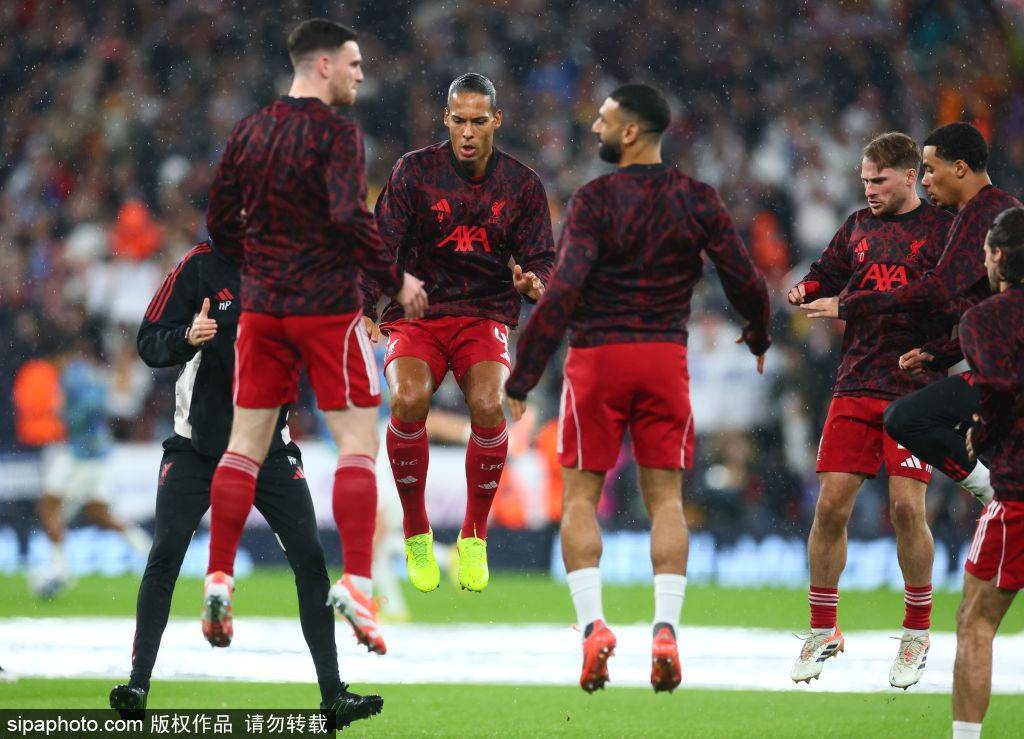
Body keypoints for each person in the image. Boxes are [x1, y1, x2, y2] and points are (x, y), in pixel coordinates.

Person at [504, 84, 771, 693]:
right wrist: (757, 332)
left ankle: (593, 627)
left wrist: (524, 374)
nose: (595, 127)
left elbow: (564, 289)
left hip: (597, 359)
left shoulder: (595, 199)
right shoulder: (696, 198)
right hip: (663, 359)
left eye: (603, 120)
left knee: (579, 499)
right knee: (667, 502)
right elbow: (743, 276)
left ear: (630, 131)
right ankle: (665, 629)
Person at [202, 18, 427, 726]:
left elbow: (219, 222)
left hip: (264, 309)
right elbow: (347, 217)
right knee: (358, 443)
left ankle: (219, 576)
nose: (361, 74)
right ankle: (357, 582)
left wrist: (261, 261)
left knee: (244, 444)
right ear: (323, 63)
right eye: (354, 63)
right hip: (328, 308)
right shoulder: (336, 133)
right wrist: (396, 279)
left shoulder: (249, 131)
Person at [108, 240, 375, 727]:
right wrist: (187, 336)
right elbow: (149, 342)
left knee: (310, 559)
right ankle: (138, 685)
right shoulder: (200, 265)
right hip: (197, 445)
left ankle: (333, 695)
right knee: (165, 553)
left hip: (268, 444)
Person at [362, 73, 554, 593]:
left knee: (490, 405)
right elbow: (379, 244)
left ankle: (474, 535)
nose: (468, 132)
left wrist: (534, 282)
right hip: (418, 309)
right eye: (459, 121)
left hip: (484, 312)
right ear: (446, 119)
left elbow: (542, 259)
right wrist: (364, 304)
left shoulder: (522, 185)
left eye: (478, 121)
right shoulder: (413, 172)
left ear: (497, 121)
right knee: (408, 397)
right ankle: (416, 530)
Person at [786, 133, 953, 688]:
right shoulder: (857, 226)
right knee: (831, 507)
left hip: (914, 387)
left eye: (879, 180)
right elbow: (825, 272)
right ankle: (823, 628)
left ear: (909, 176)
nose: (869, 190)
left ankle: (916, 632)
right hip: (855, 382)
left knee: (906, 508)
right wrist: (805, 287)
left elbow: (940, 297)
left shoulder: (942, 230)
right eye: (864, 180)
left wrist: (848, 302)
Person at [801, 123, 1022, 506]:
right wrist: (939, 354)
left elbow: (939, 289)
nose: (926, 180)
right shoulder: (986, 212)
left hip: (1012, 367)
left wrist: (852, 304)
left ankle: (992, 490)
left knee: (909, 419)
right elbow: (973, 310)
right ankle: (996, 491)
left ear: (959, 168)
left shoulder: (982, 214)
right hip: (1005, 362)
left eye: (931, 169)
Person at [952, 208, 1024, 739]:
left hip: (1019, 491)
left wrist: (981, 427)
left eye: (984, 253)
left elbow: (996, 385)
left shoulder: (985, 319)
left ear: (998, 255)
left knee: (975, 623)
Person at [36, 330, 151, 599]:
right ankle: (148, 551)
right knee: (97, 512)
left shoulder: (72, 376)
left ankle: (59, 569)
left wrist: (63, 412)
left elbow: (87, 410)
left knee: (50, 505)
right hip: (99, 454)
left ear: (58, 358)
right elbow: (110, 404)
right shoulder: (90, 374)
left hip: (81, 455)